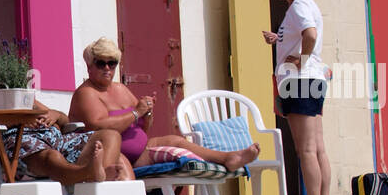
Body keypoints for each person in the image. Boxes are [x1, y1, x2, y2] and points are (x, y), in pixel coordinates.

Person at [69, 37, 259, 172]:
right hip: (110, 156)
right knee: (164, 153)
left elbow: (144, 127)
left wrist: (147, 113)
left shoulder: (120, 88)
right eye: (101, 63)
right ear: (89, 66)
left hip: (138, 151)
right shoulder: (87, 93)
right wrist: (136, 113)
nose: (108, 68)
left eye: (113, 63)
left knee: (175, 141)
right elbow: (98, 125)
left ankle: (227, 158)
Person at [0, 58, 124, 184]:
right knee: (52, 156)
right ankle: (87, 174)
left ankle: (98, 174)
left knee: (111, 135)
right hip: (22, 143)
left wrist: (56, 115)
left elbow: (64, 119)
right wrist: (17, 119)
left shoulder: (20, 96)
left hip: (58, 139)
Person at [262, 0, 332, 195]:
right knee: (319, 149)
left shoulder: (298, 6)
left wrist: (300, 59)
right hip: (314, 79)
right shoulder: (309, 3)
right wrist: (279, 40)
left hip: (299, 81)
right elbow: (303, 35)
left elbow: (310, 34)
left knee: (305, 151)